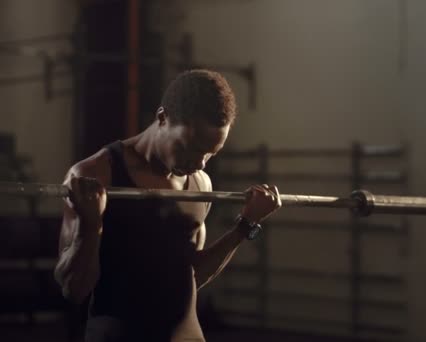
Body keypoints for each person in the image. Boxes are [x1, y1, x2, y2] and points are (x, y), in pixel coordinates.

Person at [54, 69, 282, 342]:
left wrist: (244, 226)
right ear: (163, 118)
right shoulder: (95, 174)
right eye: (190, 148)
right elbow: (73, 290)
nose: (199, 163)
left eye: (210, 154)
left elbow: (191, 277)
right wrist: (90, 227)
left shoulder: (200, 183)